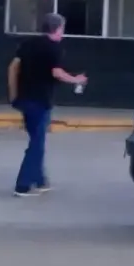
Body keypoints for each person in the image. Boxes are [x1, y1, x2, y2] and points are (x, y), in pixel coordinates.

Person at [7, 13, 87, 197]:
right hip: (40, 100)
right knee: (37, 143)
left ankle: (40, 181)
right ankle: (23, 185)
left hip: (24, 99)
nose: (63, 33)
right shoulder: (54, 49)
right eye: (62, 29)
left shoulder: (28, 44)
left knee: (37, 139)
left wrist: (13, 95)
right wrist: (76, 79)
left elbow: (12, 67)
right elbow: (57, 73)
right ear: (58, 29)